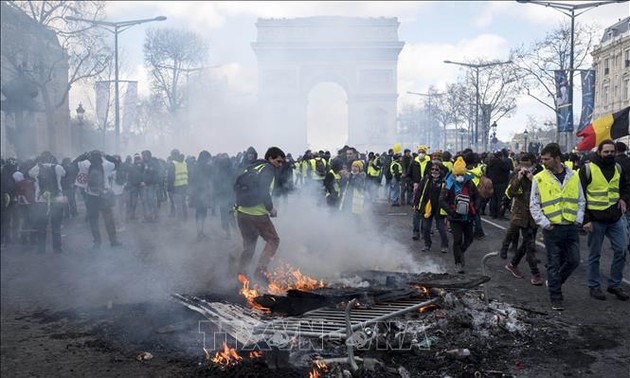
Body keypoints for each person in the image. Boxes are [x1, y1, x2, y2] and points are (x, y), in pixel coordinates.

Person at [530, 143, 586, 311]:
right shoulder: (539, 177)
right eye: (542, 159)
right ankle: (556, 296)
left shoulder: (574, 176)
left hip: (570, 225)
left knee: (574, 260)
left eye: (546, 159)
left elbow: (581, 199)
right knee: (554, 263)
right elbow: (534, 204)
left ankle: (554, 282)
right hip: (552, 228)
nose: (543, 162)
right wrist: (545, 223)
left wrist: (578, 219)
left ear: (557, 158)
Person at [579, 140, 629, 301]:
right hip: (595, 219)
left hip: (615, 217)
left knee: (621, 250)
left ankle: (614, 285)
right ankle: (594, 286)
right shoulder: (587, 169)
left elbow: (625, 186)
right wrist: (585, 219)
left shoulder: (618, 168)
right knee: (594, 255)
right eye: (606, 151)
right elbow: (580, 196)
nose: (609, 154)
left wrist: (624, 199)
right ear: (599, 152)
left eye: (612, 152)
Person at [234, 146, 286, 283]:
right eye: (278, 161)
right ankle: (260, 271)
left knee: (249, 245)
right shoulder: (268, 169)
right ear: (270, 158)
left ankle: (241, 275)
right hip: (257, 214)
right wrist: (271, 209)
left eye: (282, 162)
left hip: (241, 213)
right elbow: (264, 190)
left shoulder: (253, 166)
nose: (280, 165)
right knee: (274, 240)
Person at [503, 153, 544, 286]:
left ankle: (513, 264)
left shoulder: (540, 176)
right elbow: (510, 193)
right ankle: (535, 273)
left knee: (526, 244)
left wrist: (534, 180)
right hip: (521, 215)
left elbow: (545, 193)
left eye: (527, 165)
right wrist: (519, 178)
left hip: (535, 215)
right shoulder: (516, 176)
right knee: (530, 244)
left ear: (534, 165)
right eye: (522, 165)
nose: (525, 168)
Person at [440, 156, 478, 273]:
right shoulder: (448, 184)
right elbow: (441, 200)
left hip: (468, 217)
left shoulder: (470, 182)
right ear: (454, 174)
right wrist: (451, 212)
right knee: (457, 240)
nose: (459, 177)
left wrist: (475, 209)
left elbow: (477, 197)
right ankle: (458, 262)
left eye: (461, 174)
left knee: (469, 239)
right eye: (457, 175)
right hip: (455, 217)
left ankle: (460, 253)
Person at [78, 151, 122, 249]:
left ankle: (97, 241)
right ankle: (113, 240)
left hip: (91, 195)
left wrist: (84, 156)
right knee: (108, 219)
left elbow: (75, 164)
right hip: (104, 195)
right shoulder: (107, 165)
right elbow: (118, 163)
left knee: (93, 220)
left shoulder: (85, 166)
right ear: (100, 157)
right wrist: (106, 155)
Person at [28, 151, 66, 254]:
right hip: (57, 199)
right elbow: (64, 174)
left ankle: (41, 249)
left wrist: (38, 163)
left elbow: (29, 174)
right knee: (56, 225)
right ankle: (57, 249)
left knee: (41, 226)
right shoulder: (58, 168)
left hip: (41, 200)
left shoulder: (36, 168)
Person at [416, 161, 449, 253]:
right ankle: (427, 245)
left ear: (441, 170)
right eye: (432, 169)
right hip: (427, 207)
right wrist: (416, 203)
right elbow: (419, 191)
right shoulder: (426, 179)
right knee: (426, 228)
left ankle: (445, 245)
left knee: (441, 228)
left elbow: (449, 197)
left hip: (439, 208)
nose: (434, 171)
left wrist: (449, 211)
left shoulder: (445, 182)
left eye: (436, 169)